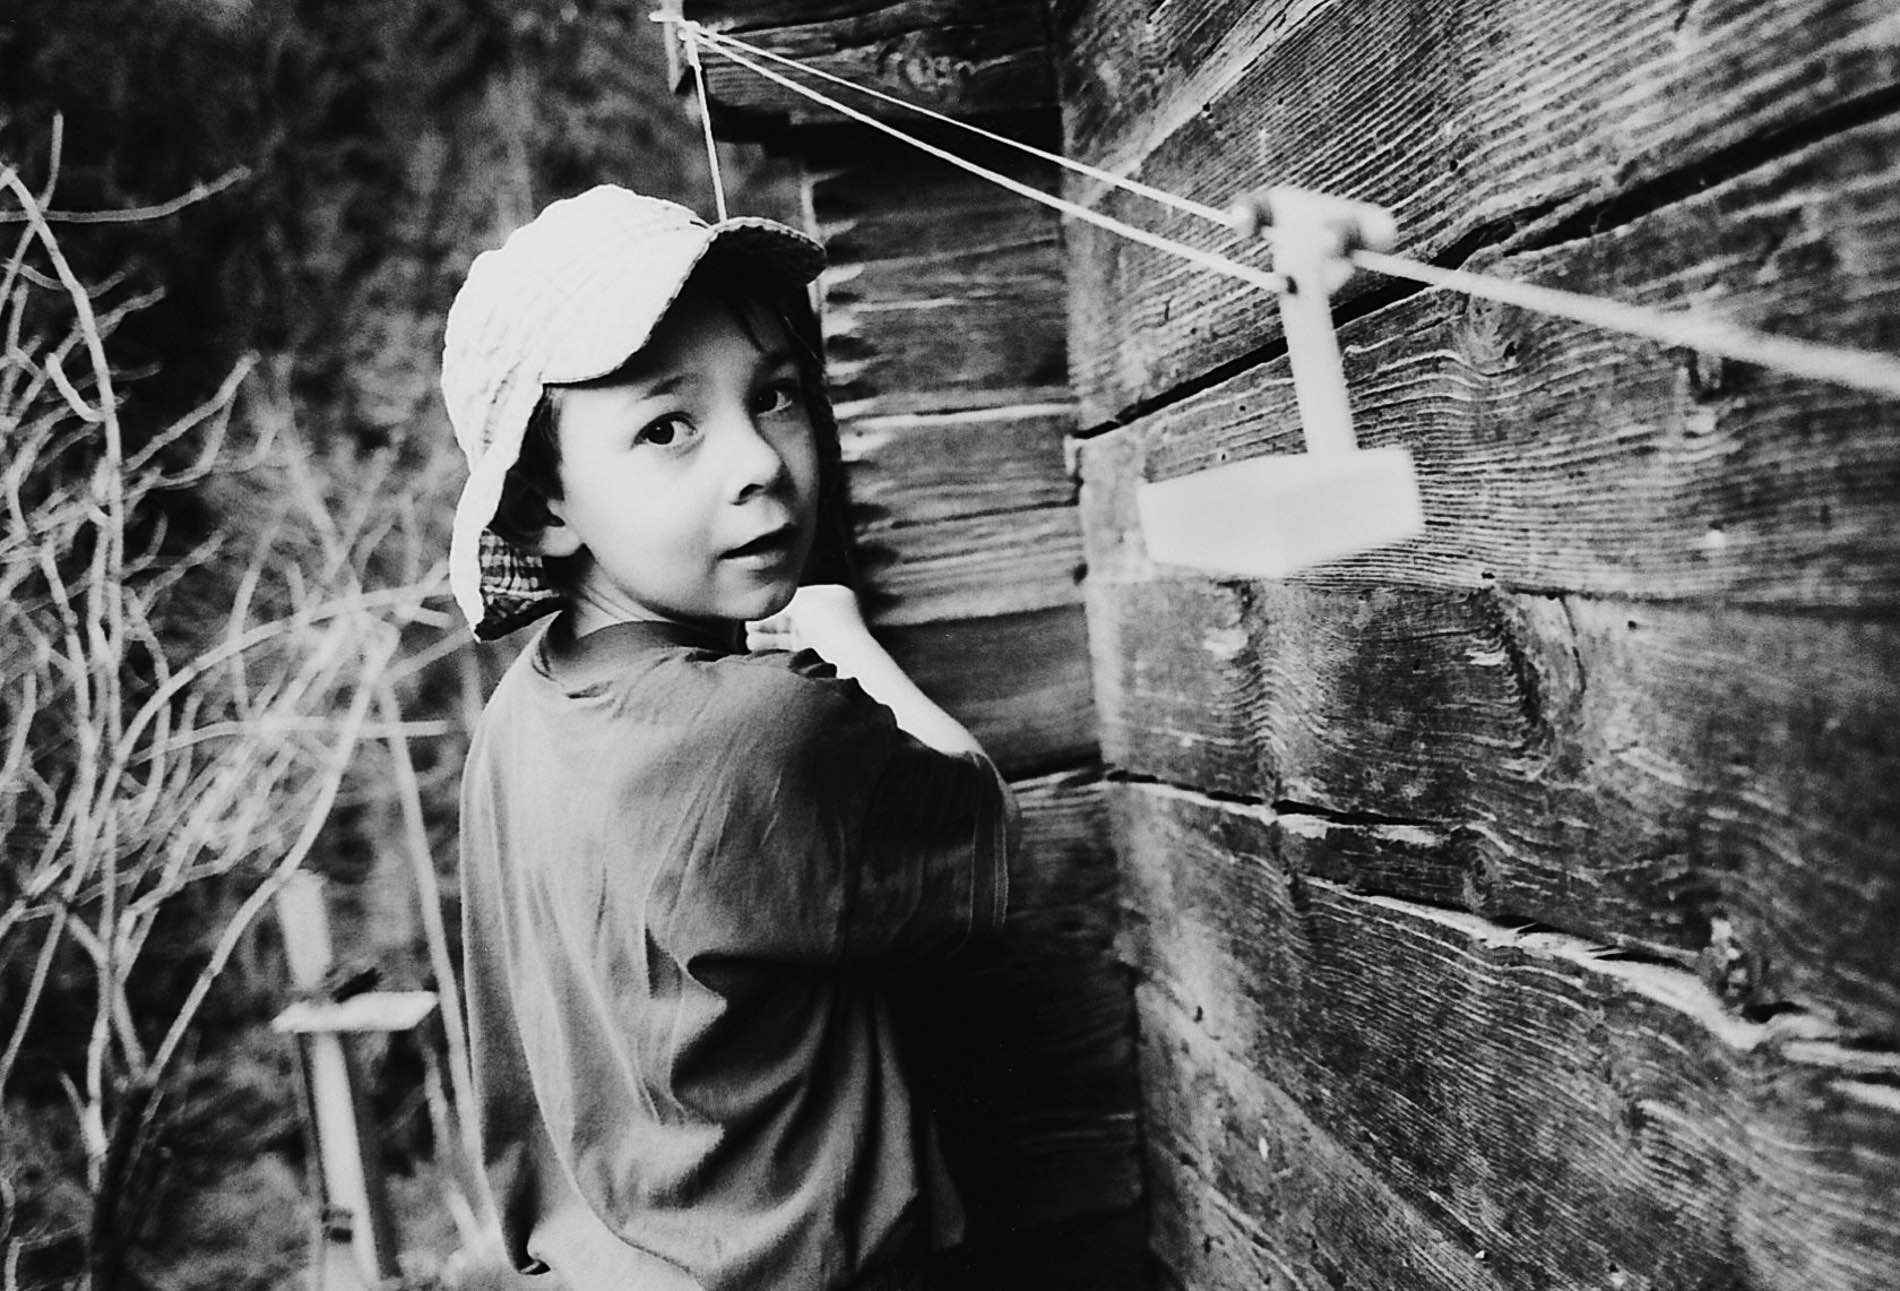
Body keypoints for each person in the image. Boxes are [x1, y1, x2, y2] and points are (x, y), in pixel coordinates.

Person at [439, 185, 1017, 1291]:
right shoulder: (771, 725)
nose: (756, 460)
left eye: (779, 394)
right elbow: (985, 825)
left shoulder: (516, 718)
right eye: (667, 426)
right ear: (543, 505)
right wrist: (846, 643)